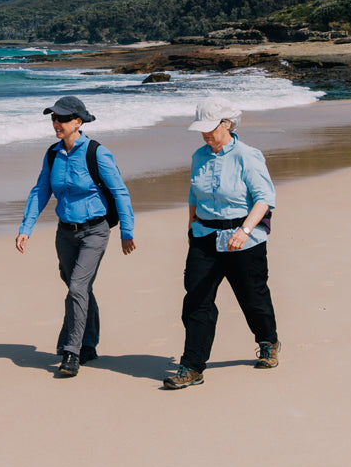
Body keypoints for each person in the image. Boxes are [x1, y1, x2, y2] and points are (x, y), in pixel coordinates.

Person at [163, 97, 279, 389]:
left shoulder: (247, 155)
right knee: (196, 302)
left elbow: (264, 198)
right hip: (204, 238)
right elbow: (194, 196)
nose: (205, 133)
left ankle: (268, 341)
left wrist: (244, 230)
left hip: (244, 240)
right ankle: (192, 367)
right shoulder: (198, 156)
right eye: (201, 128)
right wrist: (191, 227)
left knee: (252, 298)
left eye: (210, 127)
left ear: (226, 124)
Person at [15, 96, 136, 378]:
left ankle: (72, 351)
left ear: (78, 122)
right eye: (54, 118)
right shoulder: (52, 154)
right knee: (78, 287)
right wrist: (26, 227)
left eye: (63, 118)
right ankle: (89, 344)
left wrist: (127, 232)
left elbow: (120, 192)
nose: (56, 123)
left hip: (95, 231)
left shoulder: (97, 153)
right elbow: (40, 190)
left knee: (77, 289)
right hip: (65, 234)